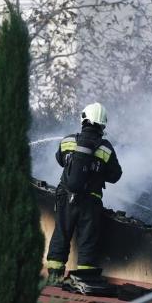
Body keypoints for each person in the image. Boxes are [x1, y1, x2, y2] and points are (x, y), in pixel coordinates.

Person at [45, 102, 122, 282]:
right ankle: (83, 280)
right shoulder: (106, 148)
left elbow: (60, 160)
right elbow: (115, 175)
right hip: (91, 200)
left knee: (61, 233)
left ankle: (54, 276)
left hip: (65, 196)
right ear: (103, 124)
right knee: (87, 238)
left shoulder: (68, 141)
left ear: (83, 118)